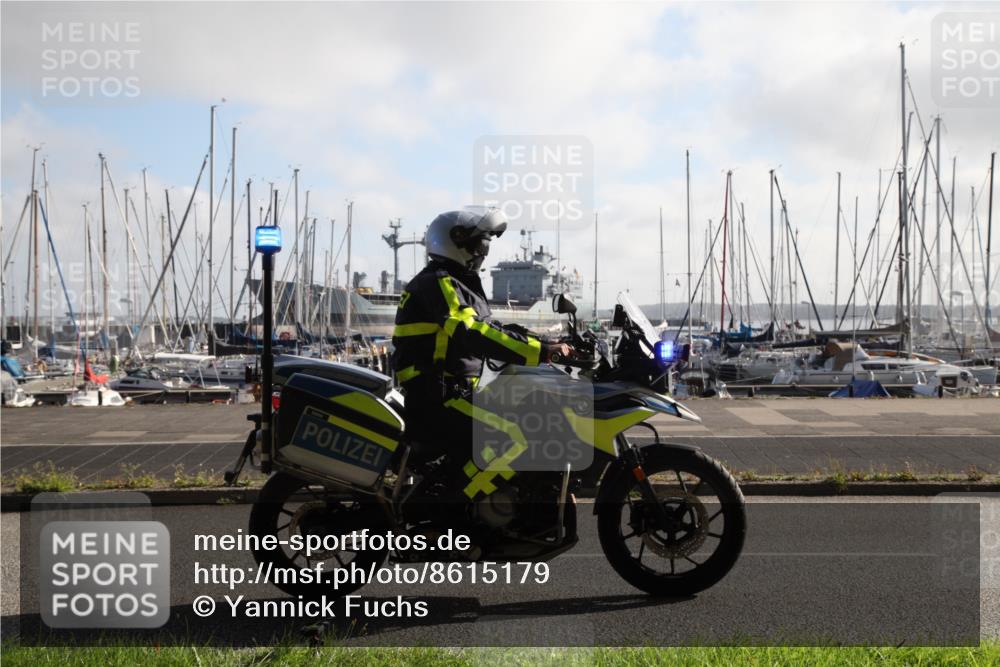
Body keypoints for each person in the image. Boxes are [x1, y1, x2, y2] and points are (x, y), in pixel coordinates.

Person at [391, 208, 570, 498]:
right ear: (456, 243)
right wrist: (541, 352)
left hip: (452, 391)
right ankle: (452, 510)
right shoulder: (440, 282)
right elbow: (470, 332)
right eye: (479, 245)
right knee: (514, 435)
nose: (483, 253)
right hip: (436, 397)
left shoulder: (453, 281)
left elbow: (491, 327)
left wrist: (545, 341)